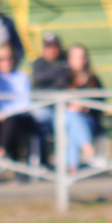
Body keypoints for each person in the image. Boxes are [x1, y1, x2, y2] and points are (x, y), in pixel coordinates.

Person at [0, 43, 36, 167]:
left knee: (12, 122)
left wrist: (6, 113)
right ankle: (5, 159)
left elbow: (25, 103)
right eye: (2, 58)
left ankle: (1, 153)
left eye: (9, 58)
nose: (7, 62)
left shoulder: (22, 77)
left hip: (17, 117)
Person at [30, 32, 70, 167]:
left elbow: (64, 82)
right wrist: (58, 72)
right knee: (40, 123)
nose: (51, 50)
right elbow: (39, 79)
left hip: (62, 107)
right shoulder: (38, 63)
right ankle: (42, 162)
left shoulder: (65, 62)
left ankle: (66, 164)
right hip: (44, 106)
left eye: (54, 46)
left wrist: (55, 76)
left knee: (67, 123)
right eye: (48, 47)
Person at [65, 44, 105, 173]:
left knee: (74, 123)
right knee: (72, 116)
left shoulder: (93, 80)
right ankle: (90, 152)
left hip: (88, 120)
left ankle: (72, 168)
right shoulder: (63, 78)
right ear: (70, 59)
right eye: (76, 57)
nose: (80, 61)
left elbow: (101, 102)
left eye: (82, 57)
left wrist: (85, 107)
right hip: (62, 119)